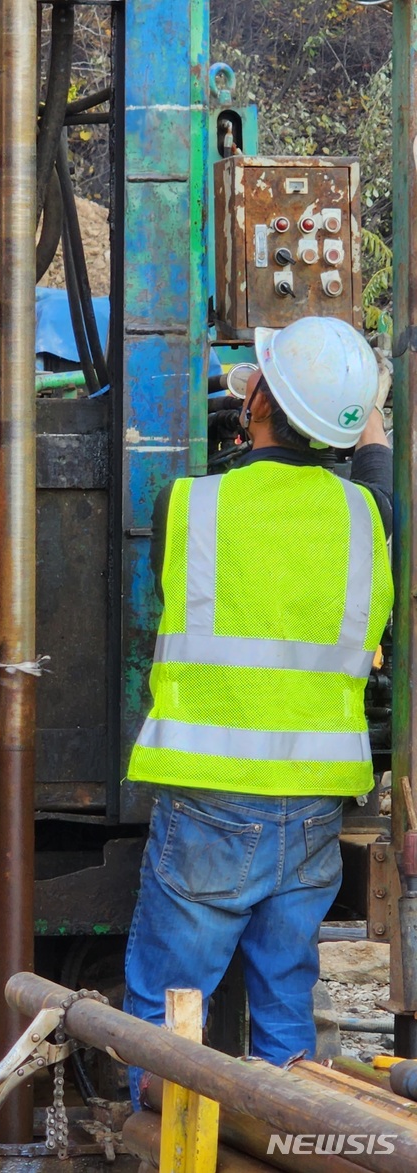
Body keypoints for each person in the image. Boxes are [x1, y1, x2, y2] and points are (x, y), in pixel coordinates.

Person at [123, 316, 394, 1108]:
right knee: (285, 1031)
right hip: (312, 811)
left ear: (259, 400)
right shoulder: (369, 520)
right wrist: (358, 407)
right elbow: (376, 469)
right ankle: (280, 1147)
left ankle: (174, 1149)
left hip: (207, 805)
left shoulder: (189, 505)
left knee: (169, 1027)